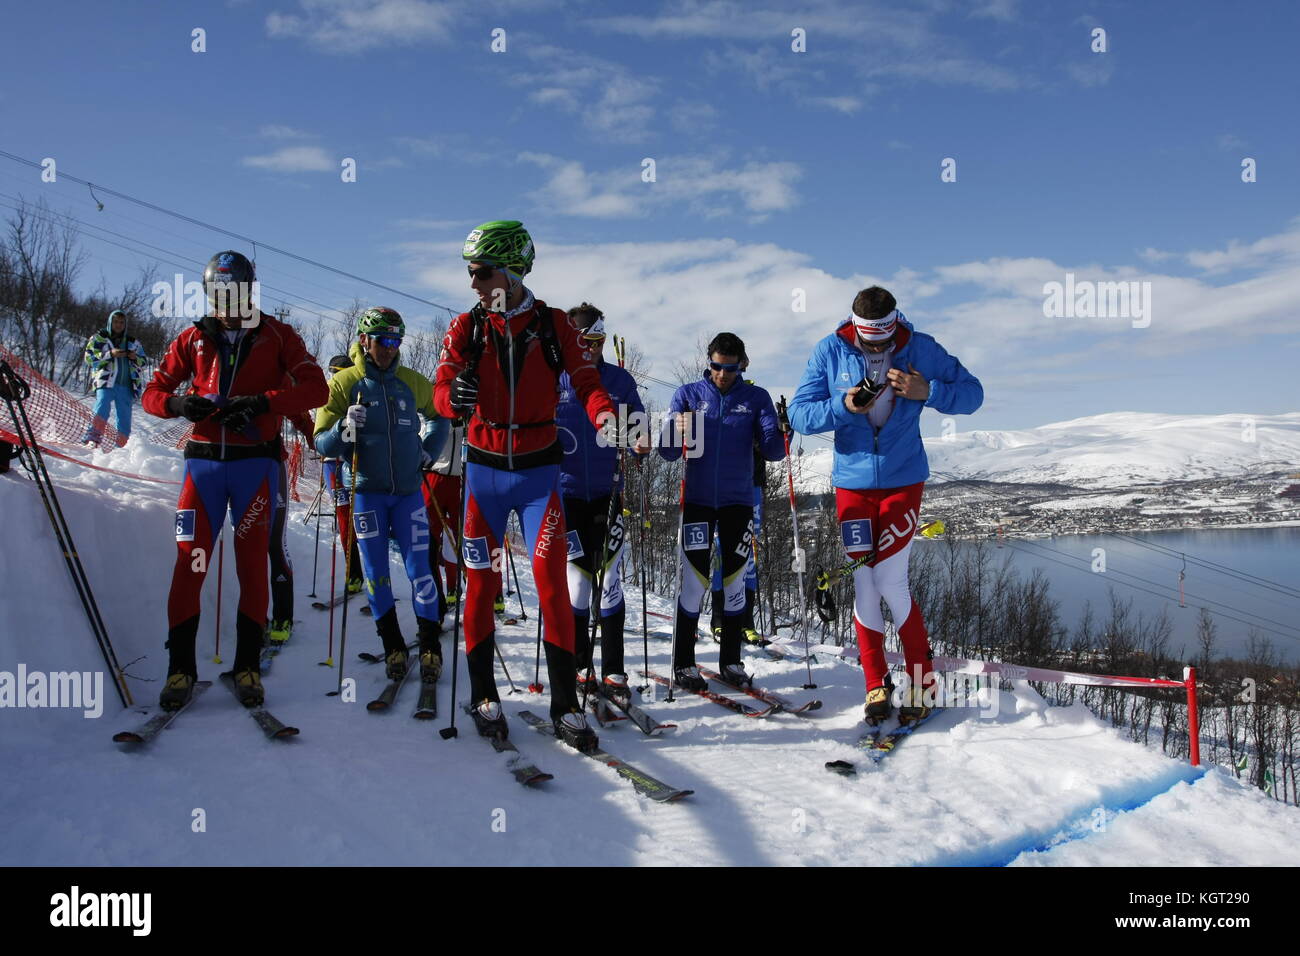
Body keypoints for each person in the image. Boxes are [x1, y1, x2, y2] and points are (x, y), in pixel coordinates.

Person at [433, 220, 616, 753]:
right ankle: (484, 694)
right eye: (470, 273)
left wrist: (604, 416)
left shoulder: (553, 323)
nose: (473, 284)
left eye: (481, 273)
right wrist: (454, 398)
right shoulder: (467, 326)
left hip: (539, 478)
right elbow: (443, 389)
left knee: (551, 583)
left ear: (511, 273)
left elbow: (586, 381)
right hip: (484, 476)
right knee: (482, 583)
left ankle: (565, 705)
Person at [788, 286, 982, 726]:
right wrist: (844, 405)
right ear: (855, 328)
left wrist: (927, 390)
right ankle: (876, 683)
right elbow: (800, 414)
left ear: (895, 324)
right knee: (863, 584)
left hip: (902, 480)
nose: (877, 347)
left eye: (884, 339)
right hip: (852, 484)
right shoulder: (830, 349)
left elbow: (973, 394)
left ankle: (922, 683)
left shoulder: (921, 347)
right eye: (869, 340)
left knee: (891, 582)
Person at [143, 251, 328, 709]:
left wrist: (265, 402)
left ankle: (247, 665)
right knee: (191, 563)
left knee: (251, 563)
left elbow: (316, 388)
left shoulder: (278, 335)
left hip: (254, 465)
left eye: (235, 293)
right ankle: (180, 670)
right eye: (216, 294)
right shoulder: (192, 338)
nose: (225, 302)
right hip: (203, 466)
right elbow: (153, 392)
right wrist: (179, 406)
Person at [314, 308, 448, 682]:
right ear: (364, 341)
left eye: (395, 341)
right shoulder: (344, 383)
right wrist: (343, 428)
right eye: (382, 341)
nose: (389, 349)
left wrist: (428, 451)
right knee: (375, 575)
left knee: (421, 570)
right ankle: (392, 645)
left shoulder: (411, 381)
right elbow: (321, 441)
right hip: (366, 492)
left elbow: (440, 416)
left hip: (408, 493)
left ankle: (429, 647)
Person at [659, 333, 785, 691]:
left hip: (737, 503)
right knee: (693, 584)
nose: (721, 374)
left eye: (729, 368)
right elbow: (667, 453)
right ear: (709, 361)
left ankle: (731, 661)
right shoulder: (688, 395)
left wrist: (781, 432)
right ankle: (683, 663)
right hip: (697, 501)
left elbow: (774, 451)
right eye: (716, 366)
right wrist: (674, 430)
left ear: (741, 364)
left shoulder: (755, 397)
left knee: (733, 584)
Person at [556, 304, 649, 705]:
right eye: (581, 343)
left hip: (610, 493)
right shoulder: (553, 378)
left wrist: (640, 444)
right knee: (577, 584)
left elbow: (639, 428)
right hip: (566, 496)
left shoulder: (619, 381)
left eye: (595, 342)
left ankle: (613, 671)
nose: (589, 350)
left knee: (610, 583)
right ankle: (579, 665)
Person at [266, 405, 316, 645]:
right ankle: (252, 620)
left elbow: (296, 404)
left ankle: (282, 617)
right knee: (246, 545)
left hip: (272, 462)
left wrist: (315, 436)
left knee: (275, 542)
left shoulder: (274, 372)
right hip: (233, 467)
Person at [322, 355, 364, 595]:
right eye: (332, 372)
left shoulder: (359, 394)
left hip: (354, 463)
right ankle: (353, 573)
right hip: (332, 466)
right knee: (345, 520)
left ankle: (373, 573)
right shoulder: (326, 394)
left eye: (339, 372)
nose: (335, 377)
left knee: (362, 519)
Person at [81, 309, 147, 446]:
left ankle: (121, 445)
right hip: (106, 381)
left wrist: (135, 358)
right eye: (116, 322)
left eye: (122, 322)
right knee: (102, 405)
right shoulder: (98, 338)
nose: (118, 325)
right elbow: (89, 359)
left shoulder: (133, 342)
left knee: (124, 416)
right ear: (111, 322)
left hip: (128, 385)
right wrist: (110, 354)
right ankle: (93, 437)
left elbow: (144, 362)